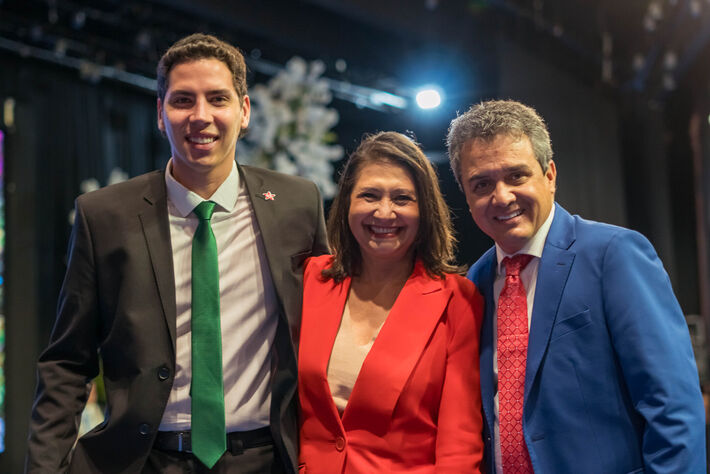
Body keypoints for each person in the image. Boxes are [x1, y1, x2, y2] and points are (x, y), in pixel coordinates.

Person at [26, 33, 328, 473]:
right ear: (160, 114)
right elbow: (68, 362)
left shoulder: (296, 204)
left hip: (265, 458)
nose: (200, 117)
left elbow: (325, 332)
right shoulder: (104, 215)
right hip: (143, 461)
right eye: (183, 100)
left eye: (218, 99)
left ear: (243, 112)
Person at [446, 99, 706, 474]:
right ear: (467, 197)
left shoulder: (613, 255)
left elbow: (674, 407)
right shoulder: (475, 283)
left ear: (549, 175)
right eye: (482, 183)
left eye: (516, 176)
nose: (501, 196)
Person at [298, 131, 484, 473]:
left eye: (402, 198)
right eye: (369, 195)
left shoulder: (457, 299)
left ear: (425, 210)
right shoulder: (312, 278)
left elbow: (460, 443)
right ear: (347, 203)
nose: (384, 213)